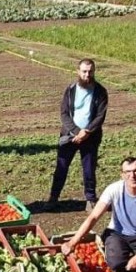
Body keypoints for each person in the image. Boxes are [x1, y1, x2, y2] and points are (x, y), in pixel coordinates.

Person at [60, 157, 136, 272]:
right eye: (127, 172)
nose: (132, 176)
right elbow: (93, 217)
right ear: (122, 174)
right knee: (114, 262)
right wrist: (72, 242)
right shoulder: (114, 189)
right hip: (117, 233)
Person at [47, 59, 108, 211]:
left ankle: (90, 199)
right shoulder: (71, 89)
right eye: (84, 71)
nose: (87, 74)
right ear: (78, 71)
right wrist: (76, 131)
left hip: (90, 137)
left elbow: (100, 116)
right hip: (69, 136)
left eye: (90, 71)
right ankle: (53, 198)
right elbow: (64, 113)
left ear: (94, 71)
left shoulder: (100, 91)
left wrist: (86, 131)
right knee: (61, 167)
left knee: (89, 169)